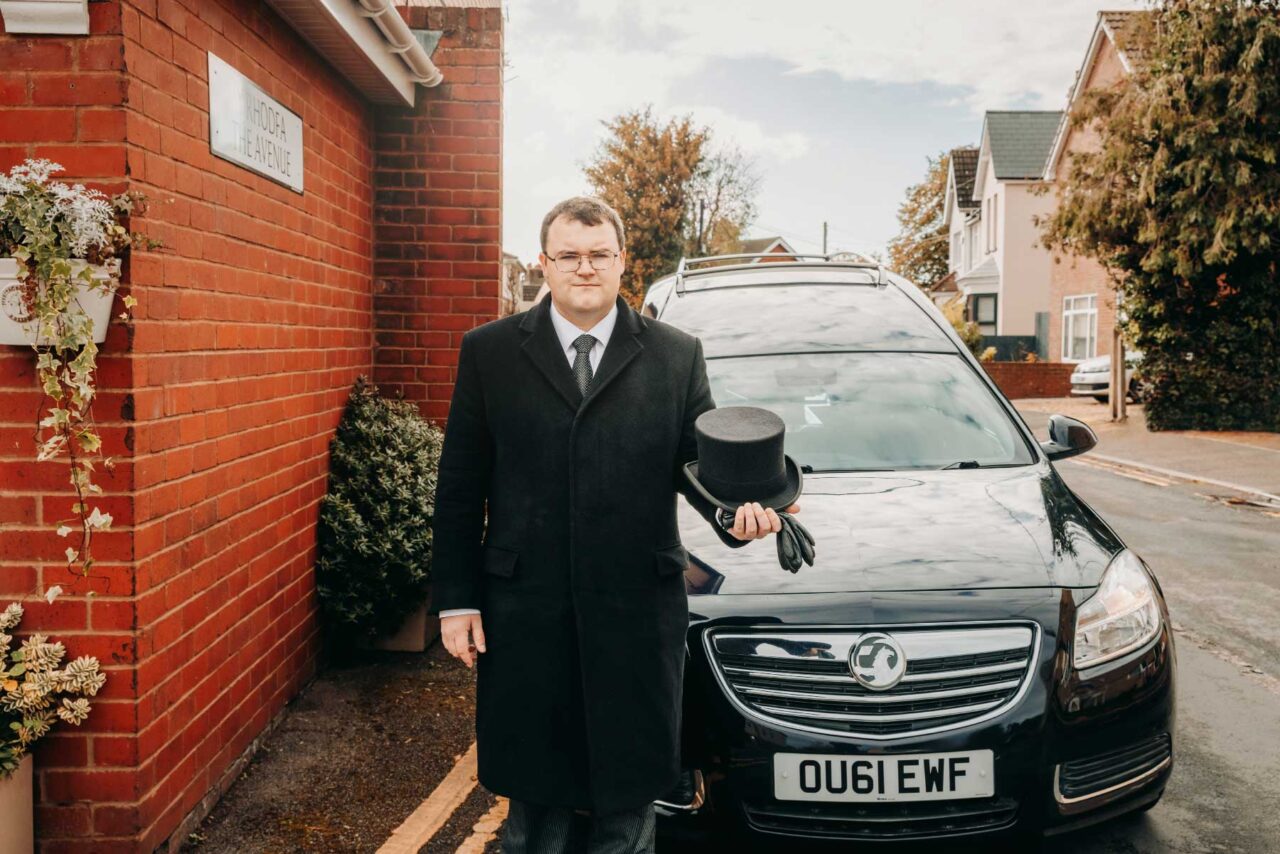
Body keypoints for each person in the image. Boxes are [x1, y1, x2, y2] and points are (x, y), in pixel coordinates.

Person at [430, 196, 798, 854]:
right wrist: (456, 599)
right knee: (534, 821)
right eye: (569, 255)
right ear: (543, 263)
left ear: (622, 262)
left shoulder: (675, 354)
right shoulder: (489, 353)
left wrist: (736, 518)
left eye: (599, 254)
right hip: (527, 614)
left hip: (634, 615)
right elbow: (460, 485)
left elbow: (699, 467)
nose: (584, 268)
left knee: (626, 818)